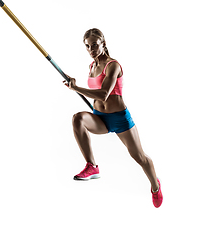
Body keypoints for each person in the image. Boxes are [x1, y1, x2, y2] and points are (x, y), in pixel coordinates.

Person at [63, 28, 163, 208]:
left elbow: (103, 94)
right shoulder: (92, 66)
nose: (91, 49)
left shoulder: (113, 65)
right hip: (100, 118)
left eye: (94, 45)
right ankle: (92, 165)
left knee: (139, 157)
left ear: (103, 43)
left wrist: (76, 88)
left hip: (119, 119)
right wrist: (74, 85)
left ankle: (155, 186)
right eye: (87, 46)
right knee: (77, 118)